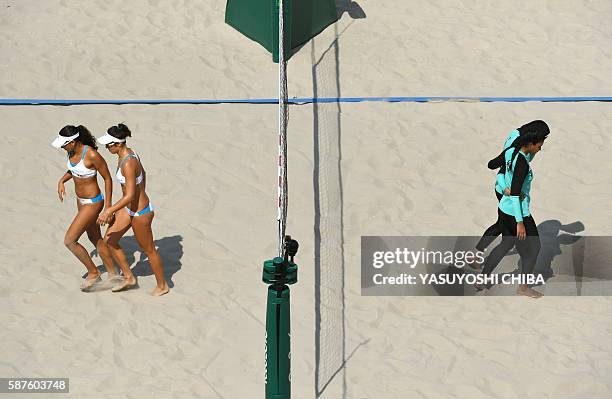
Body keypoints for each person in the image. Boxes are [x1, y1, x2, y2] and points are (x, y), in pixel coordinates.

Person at [96, 124, 169, 296]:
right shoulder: (128, 153)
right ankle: (129, 277)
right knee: (109, 240)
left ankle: (163, 285)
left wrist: (109, 210)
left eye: (109, 144)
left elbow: (129, 195)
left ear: (118, 144)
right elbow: (144, 174)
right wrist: (139, 193)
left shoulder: (128, 163)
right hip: (128, 209)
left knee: (149, 249)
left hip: (140, 213)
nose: (106, 147)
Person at [477, 128, 549, 298]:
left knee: (507, 243)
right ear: (530, 144)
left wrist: (504, 188)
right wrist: (520, 222)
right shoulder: (523, 164)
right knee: (534, 247)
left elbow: (492, 165)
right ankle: (523, 287)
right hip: (518, 213)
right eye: (539, 145)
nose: (540, 149)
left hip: (503, 207)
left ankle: (482, 278)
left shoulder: (510, 151)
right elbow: (516, 195)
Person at [51, 125, 120, 290]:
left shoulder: (91, 155)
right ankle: (113, 273)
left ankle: (93, 272)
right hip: (80, 201)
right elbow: (73, 169)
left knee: (70, 240)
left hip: (93, 202)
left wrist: (108, 208)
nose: (62, 147)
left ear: (73, 141)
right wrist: (62, 180)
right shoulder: (71, 152)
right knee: (95, 237)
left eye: (64, 144)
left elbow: (108, 179)